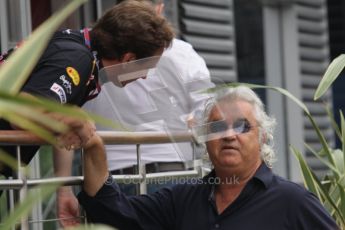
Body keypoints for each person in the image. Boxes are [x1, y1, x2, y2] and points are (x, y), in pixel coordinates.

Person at [0, 0, 173, 225]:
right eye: (147, 67)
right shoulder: (77, 59)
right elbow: (21, 112)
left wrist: (63, 188)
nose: (144, 77)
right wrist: (79, 122)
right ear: (129, 59)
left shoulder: (80, 48)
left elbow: (57, 115)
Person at [74, 86, 338, 229]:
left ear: (262, 138)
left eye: (242, 126)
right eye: (218, 127)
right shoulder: (182, 200)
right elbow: (114, 211)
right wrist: (94, 146)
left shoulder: (292, 202)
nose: (229, 135)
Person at [83, 0, 214, 192]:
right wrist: (196, 119)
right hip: (167, 168)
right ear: (160, 9)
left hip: (105, 169)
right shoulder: (181, 52)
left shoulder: (89, 51)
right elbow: (208, 105)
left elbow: (67, 112)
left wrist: (62, 186)